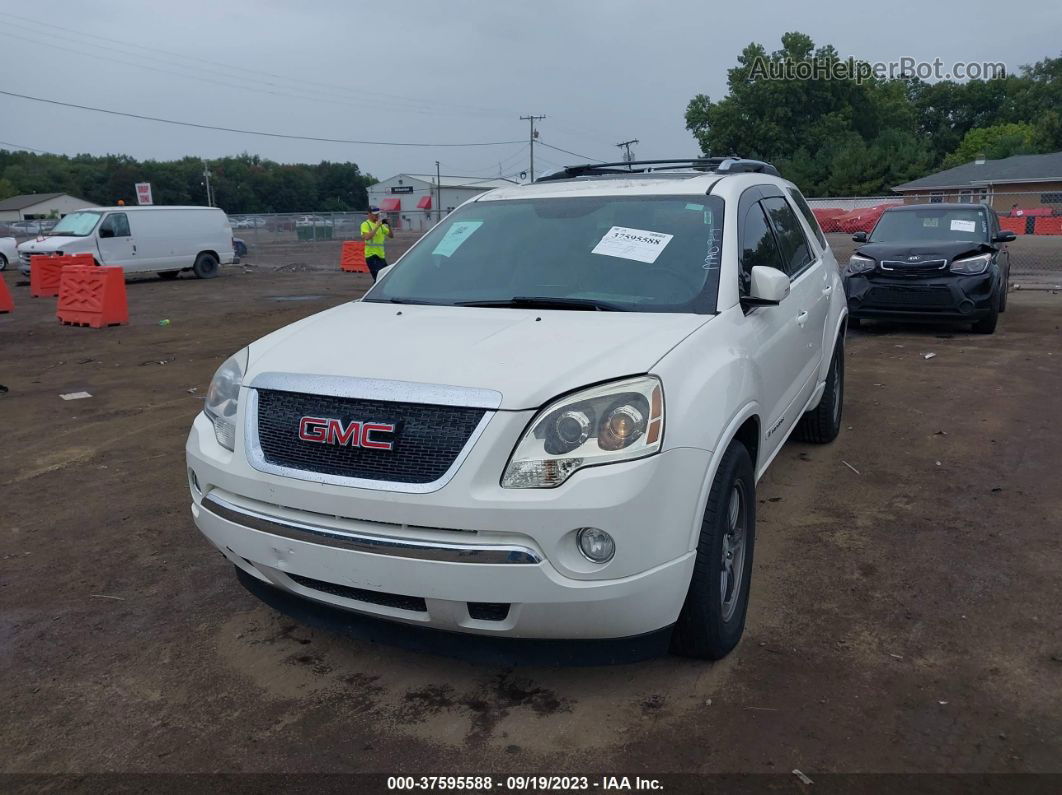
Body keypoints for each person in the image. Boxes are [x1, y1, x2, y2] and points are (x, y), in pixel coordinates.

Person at [361, 206, 394, 281]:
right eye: (375, 214)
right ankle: (374, 292)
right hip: (372, 256)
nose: (377, 215)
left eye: (378, 214)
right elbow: (367, 237)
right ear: (369, 214)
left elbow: (391, 236)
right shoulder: (365, 224)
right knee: (380, 280)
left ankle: (375, 291)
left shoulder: (381, 226)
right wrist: (376, 227)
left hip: (381, 256)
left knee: (383, 279)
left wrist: (389, 225)